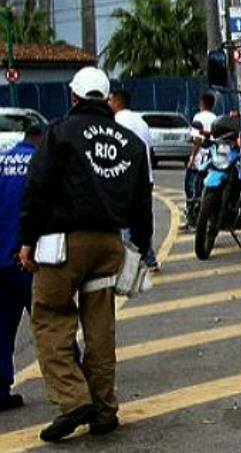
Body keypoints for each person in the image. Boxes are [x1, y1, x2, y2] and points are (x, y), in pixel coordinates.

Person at [17, 66, 153, 442]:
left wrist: (26, 241)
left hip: (62, 245)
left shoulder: (59, 132)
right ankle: (104, 409)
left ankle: (74, 400)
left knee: (50, 319)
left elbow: (38, 189)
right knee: (100, 330)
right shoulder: (129, 141)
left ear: (73, 96)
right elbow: (143, 201)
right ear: (107, 98)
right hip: (109, 245)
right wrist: (140, 247)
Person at [0, 120, 44, 411]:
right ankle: (76, 387)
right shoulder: (41, 164)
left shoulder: (2, 161)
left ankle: (0, 390)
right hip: (28, 259)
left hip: (0, 259)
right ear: (41, 139)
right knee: (52, 322)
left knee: (1, 328)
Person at [109, 90, 159, 271]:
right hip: (146, 178)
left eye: (110, 100)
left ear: (116, 102)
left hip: (125, 179)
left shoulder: (115, 122)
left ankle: (128, 263)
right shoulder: (142, 122)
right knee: (144, 219)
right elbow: (150, 150)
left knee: (124, 222)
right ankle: (149, 256)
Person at [184, 93, 217, 230]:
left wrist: (192, 157)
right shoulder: (216, 118)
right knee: (203, 190)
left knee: (191, 188)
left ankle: (192, 220)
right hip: (211, 159)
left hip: (199, 160)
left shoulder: (198, 117)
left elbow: (197, 140)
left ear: (202, 103)